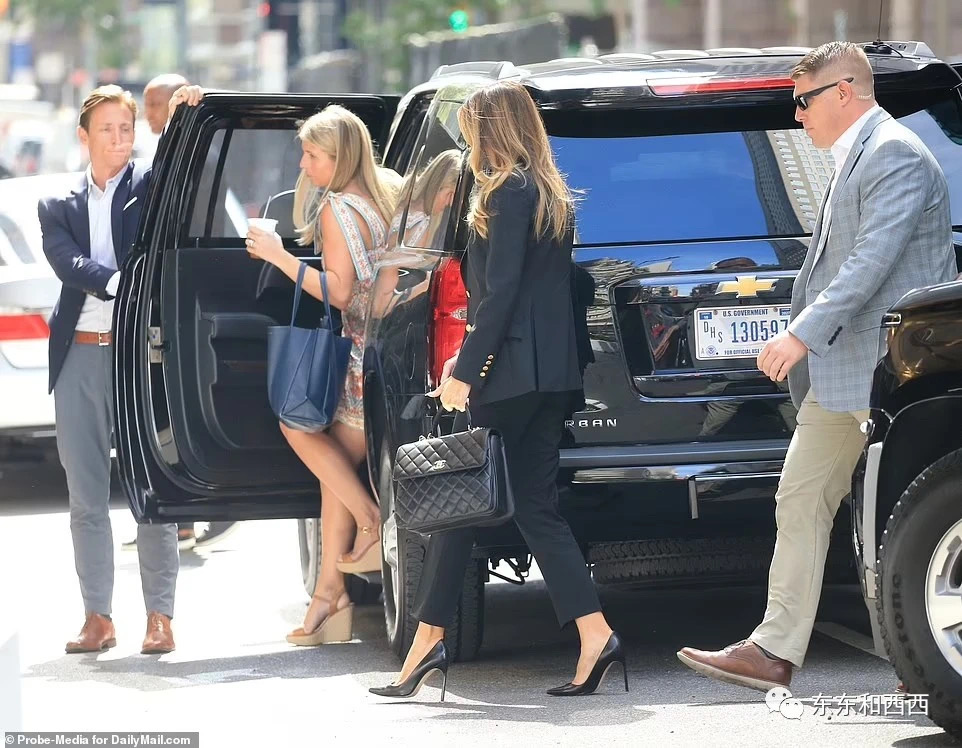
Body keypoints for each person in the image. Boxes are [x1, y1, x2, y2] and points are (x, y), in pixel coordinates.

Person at [676, 41, 956, 691]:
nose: (797, 115)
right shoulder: (853, 155)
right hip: (844, 371)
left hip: (891, 371)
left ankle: (925, 660)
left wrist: (799, 335)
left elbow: (869, 263)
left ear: (844, 93)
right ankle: (772, 651)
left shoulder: (893, 154)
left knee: (905, 518)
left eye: (803, 101)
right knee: (801, 497)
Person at [370, 80, 626, 701]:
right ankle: (592, 636)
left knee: (462, 500)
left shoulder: (506, 191)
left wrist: (464, 372)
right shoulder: (548, 192)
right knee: (527, 507)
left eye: (470, 129)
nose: (467, 142)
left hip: (511, 375)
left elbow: (502, 292)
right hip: (547, 376)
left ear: (492, 128)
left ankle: (428, 645)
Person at [240, 101, 399, 645]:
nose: (303, 165)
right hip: (386, 354)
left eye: (312, 155)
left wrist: (279, 257)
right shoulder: (385, 195)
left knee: (297, 427)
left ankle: (371, 522)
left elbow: (341, 292)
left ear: (339, 156)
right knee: (337, 472)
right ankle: (329, 599)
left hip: (357, 354)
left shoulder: (336, 208)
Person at [39, 85, 180, 654]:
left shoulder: (149, 185)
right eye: (108, 129)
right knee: (86, 497)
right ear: (84, 136)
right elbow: (67, 262)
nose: (120, 139)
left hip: (136, 356)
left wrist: (186, 108)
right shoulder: (57, 204)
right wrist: (116, 281)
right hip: (78, 354)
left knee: (151, 490)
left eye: (128, 128)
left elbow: (179, 166)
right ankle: (97, 617)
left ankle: (160, 617)